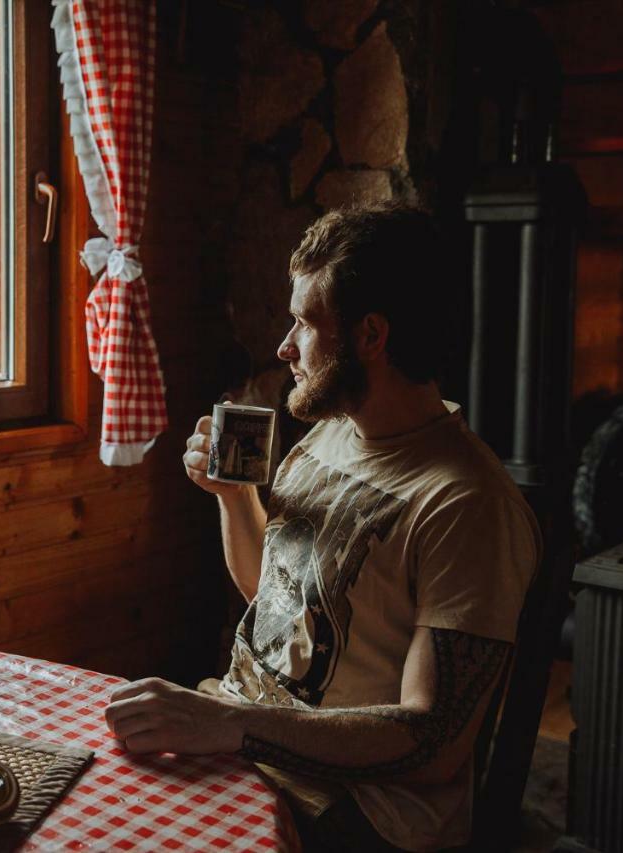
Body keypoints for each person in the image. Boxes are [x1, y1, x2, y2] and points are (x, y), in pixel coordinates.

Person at [103, 201, 541, 852]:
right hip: (247, 740)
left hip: (361, 809)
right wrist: (233, 499)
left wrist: (228, 724)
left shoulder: (465, 503)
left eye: (305, 322)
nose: (283, 347)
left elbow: (434, 743)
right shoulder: (328, 436)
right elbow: (274, 600)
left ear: (371, 335)